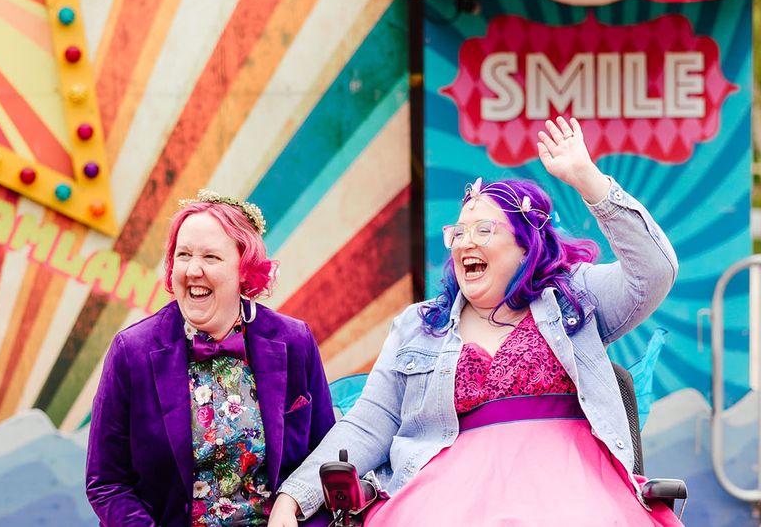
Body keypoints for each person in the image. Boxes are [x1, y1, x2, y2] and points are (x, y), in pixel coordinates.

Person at [269, 116, 683, 526]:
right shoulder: (418, 326)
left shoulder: (574, 297)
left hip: (574, 493)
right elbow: (367, 425)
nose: (466, 242)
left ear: (526, 247)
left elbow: (655, 271)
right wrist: (293, 496)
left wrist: (588, 180)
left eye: (484, 230)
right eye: (459, 233)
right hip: (444, 499)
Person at [86, 190, 335, 526]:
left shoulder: (294, 341)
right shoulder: (132, 351)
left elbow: (324, 459)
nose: (192, 270)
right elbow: (107, 483)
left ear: (245, 270)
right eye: (183, 255)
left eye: (211, 258)